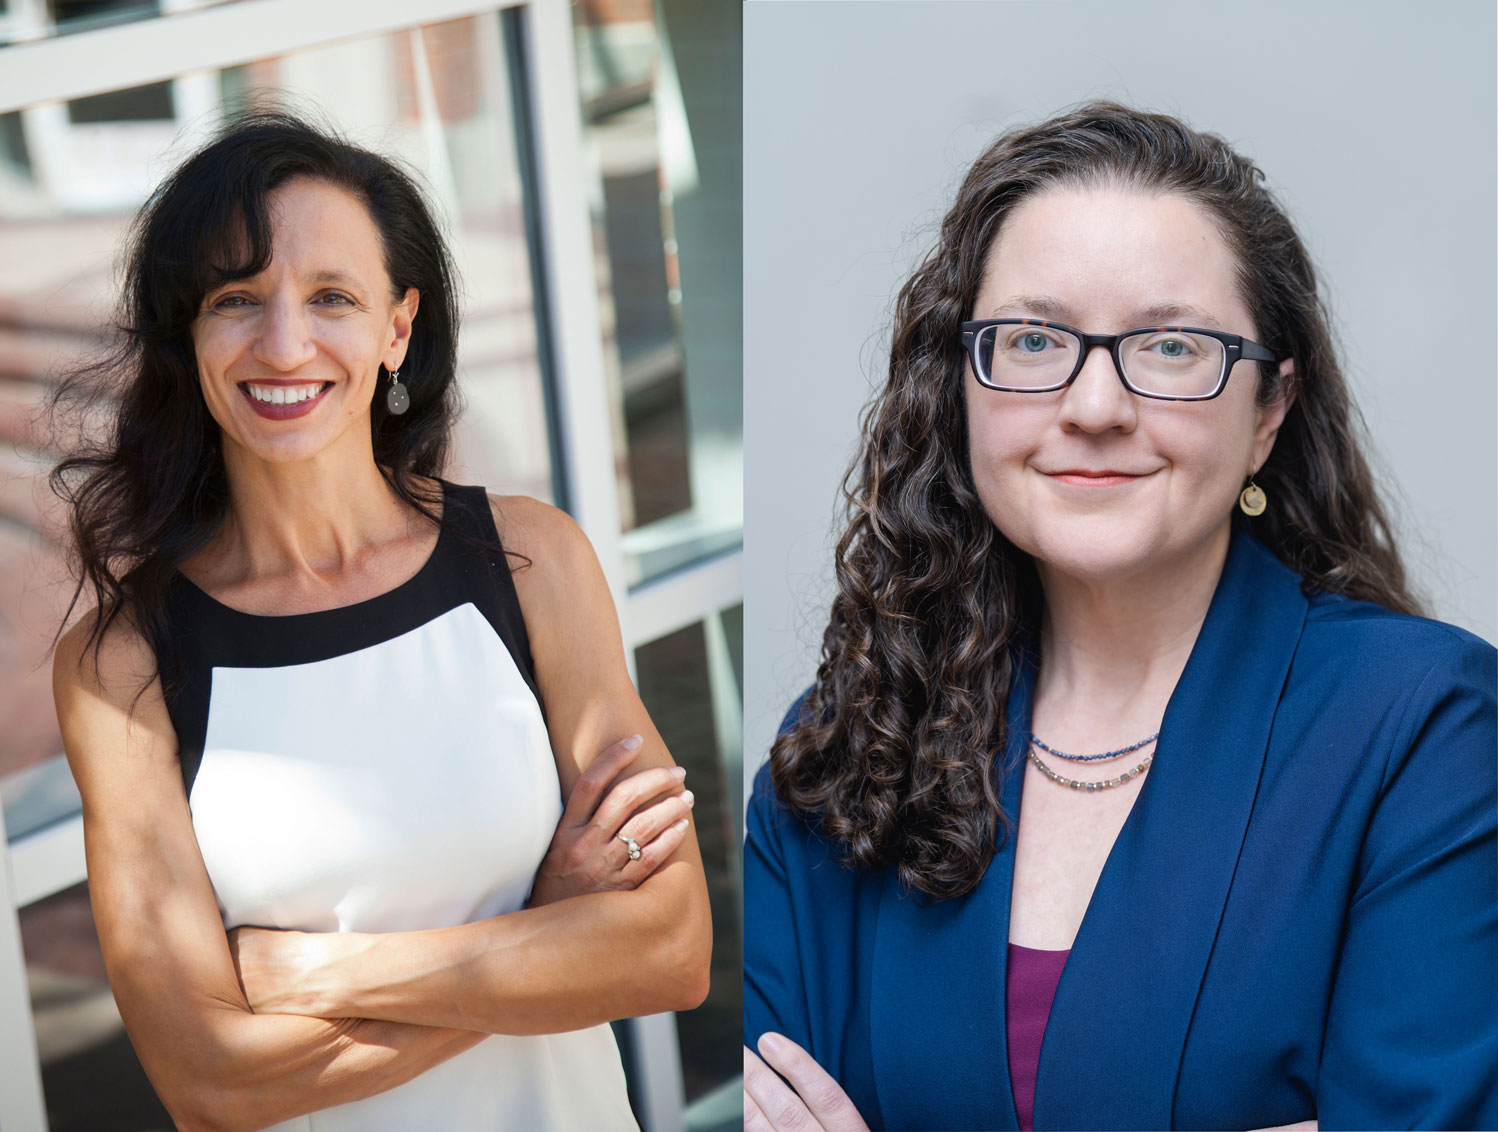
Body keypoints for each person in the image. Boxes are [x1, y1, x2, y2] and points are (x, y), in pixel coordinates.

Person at [742, 102, 1497, 1131]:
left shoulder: (1424, 731)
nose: (1094, 406)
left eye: (1171, 346)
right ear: (960, 384)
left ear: (1267, 410)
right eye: (1032, 338)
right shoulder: (833, 759)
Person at [50, 111, 711, 1131]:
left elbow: (669, 949)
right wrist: (546, 931)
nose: (284, 343)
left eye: (331, 298)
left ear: (396, 327)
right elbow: (208, 1081)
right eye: (236, 299)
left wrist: (316, 972)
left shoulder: (531, 563)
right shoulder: (123, 665)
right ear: (189, 332)